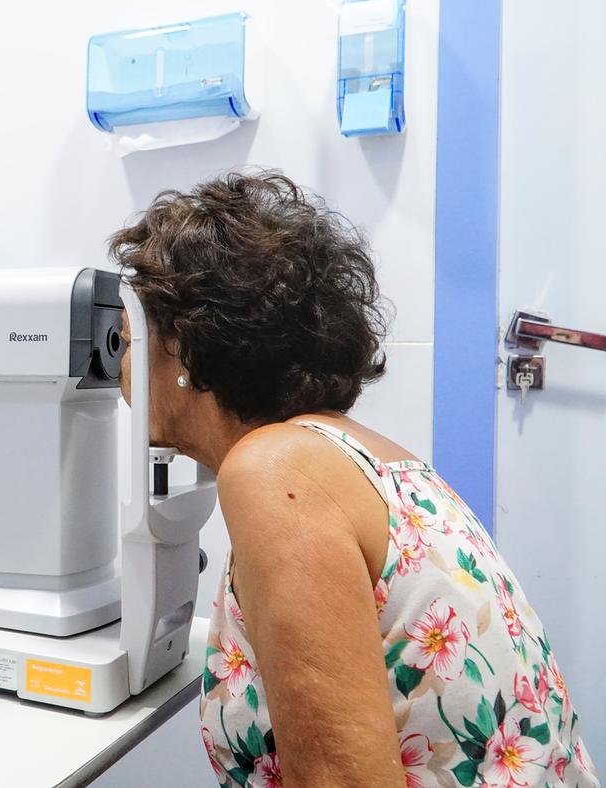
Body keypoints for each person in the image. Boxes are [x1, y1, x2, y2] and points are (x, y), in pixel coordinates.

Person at [111, 171, 597, 787]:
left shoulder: (272, 474)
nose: (120, 367)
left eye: (129, 341)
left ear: (182, 347)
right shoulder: (365, 460)